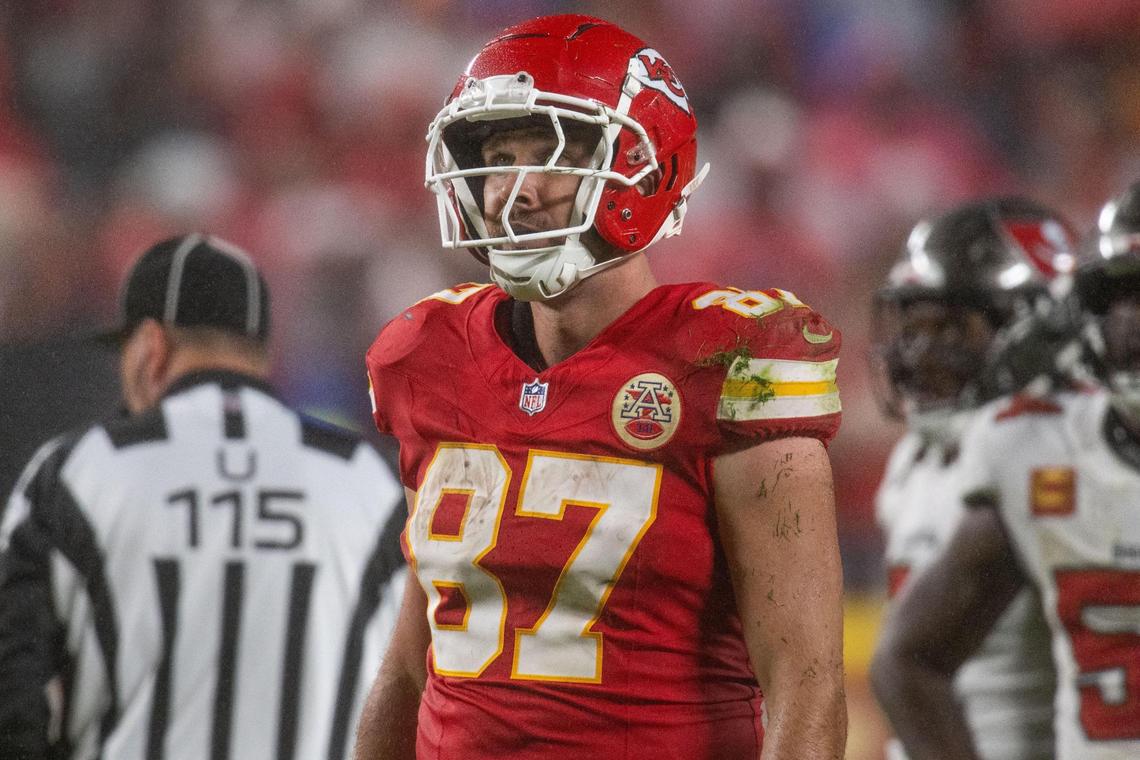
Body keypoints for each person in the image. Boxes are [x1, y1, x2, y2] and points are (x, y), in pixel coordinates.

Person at [356, 14, 846, 760]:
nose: (515, 192)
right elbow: (409, 665)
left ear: (643, 169)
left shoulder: (731, 363)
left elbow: (806, 686)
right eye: (499, 159)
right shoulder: (428, 355)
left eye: (552, 156)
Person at [0, 234, 406, 760]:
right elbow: (427, 684)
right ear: (260, 353)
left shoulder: (78, 471)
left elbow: (14, 685)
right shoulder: (369, 481)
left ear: (151, 348)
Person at [870, 180, 1140, 759]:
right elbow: (908, 662)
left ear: (1037, 325)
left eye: (950, 328)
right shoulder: (919, 460)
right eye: (912, 329)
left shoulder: (1053, 447)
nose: (919, 354)